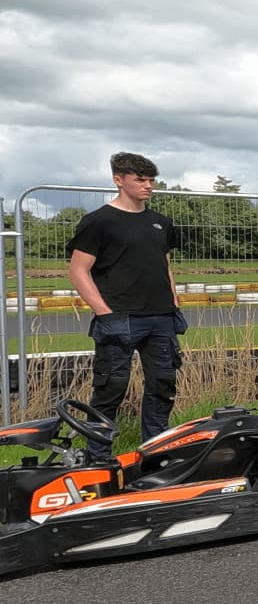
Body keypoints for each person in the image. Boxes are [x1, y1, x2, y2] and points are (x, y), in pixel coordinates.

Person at [65, 152, 183, 460]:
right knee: (110, 389)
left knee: (162, 386)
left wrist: (173, 301)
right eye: (140, 179)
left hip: (161, 319)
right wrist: (105, 313)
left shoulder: (161, 223)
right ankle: (98, 456)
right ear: (119, 180)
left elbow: (164, 263)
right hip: (119, 318)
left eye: (151, 180)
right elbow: (79, 270)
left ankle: (156, 452)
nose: (148, 186)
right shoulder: (98, 222)